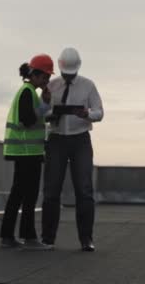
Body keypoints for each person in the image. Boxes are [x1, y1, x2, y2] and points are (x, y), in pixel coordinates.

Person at [41, 47, 104, 251]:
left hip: (80, 140)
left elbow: (100, 112)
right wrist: (50, 114)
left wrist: (87, 114)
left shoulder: (88, 85)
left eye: (72, 73)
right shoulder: (51, 86)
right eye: (66, 73)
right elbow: (41, 112)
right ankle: (48, 238)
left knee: (84, 191)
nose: (68, 76)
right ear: (60, 68)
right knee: (51, 191)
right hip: (57, 138)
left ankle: (86, 239)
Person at [0, 54, 54, 249]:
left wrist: (45, 104)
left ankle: (11, 236)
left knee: (21, 194)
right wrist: (44, 106)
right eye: (45, 77)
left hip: (26, 151)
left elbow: (35, 118)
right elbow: (28, 119)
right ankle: (27, 237)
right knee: (27, 195)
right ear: (35, 75)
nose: (47, 81)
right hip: (26, 151)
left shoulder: (28, 91)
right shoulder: (27, 92)